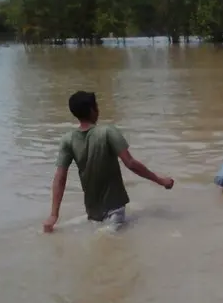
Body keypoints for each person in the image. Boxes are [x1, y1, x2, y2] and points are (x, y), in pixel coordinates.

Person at [43, 91, 174, 233]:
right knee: (108, 244)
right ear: (93, 110)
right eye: (97, 106)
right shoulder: (108, 132)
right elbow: (130, 163)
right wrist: (160, 180)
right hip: (115, 210)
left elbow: (60, 177)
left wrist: (53, 215)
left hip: (92, 212)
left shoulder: (67, 140)